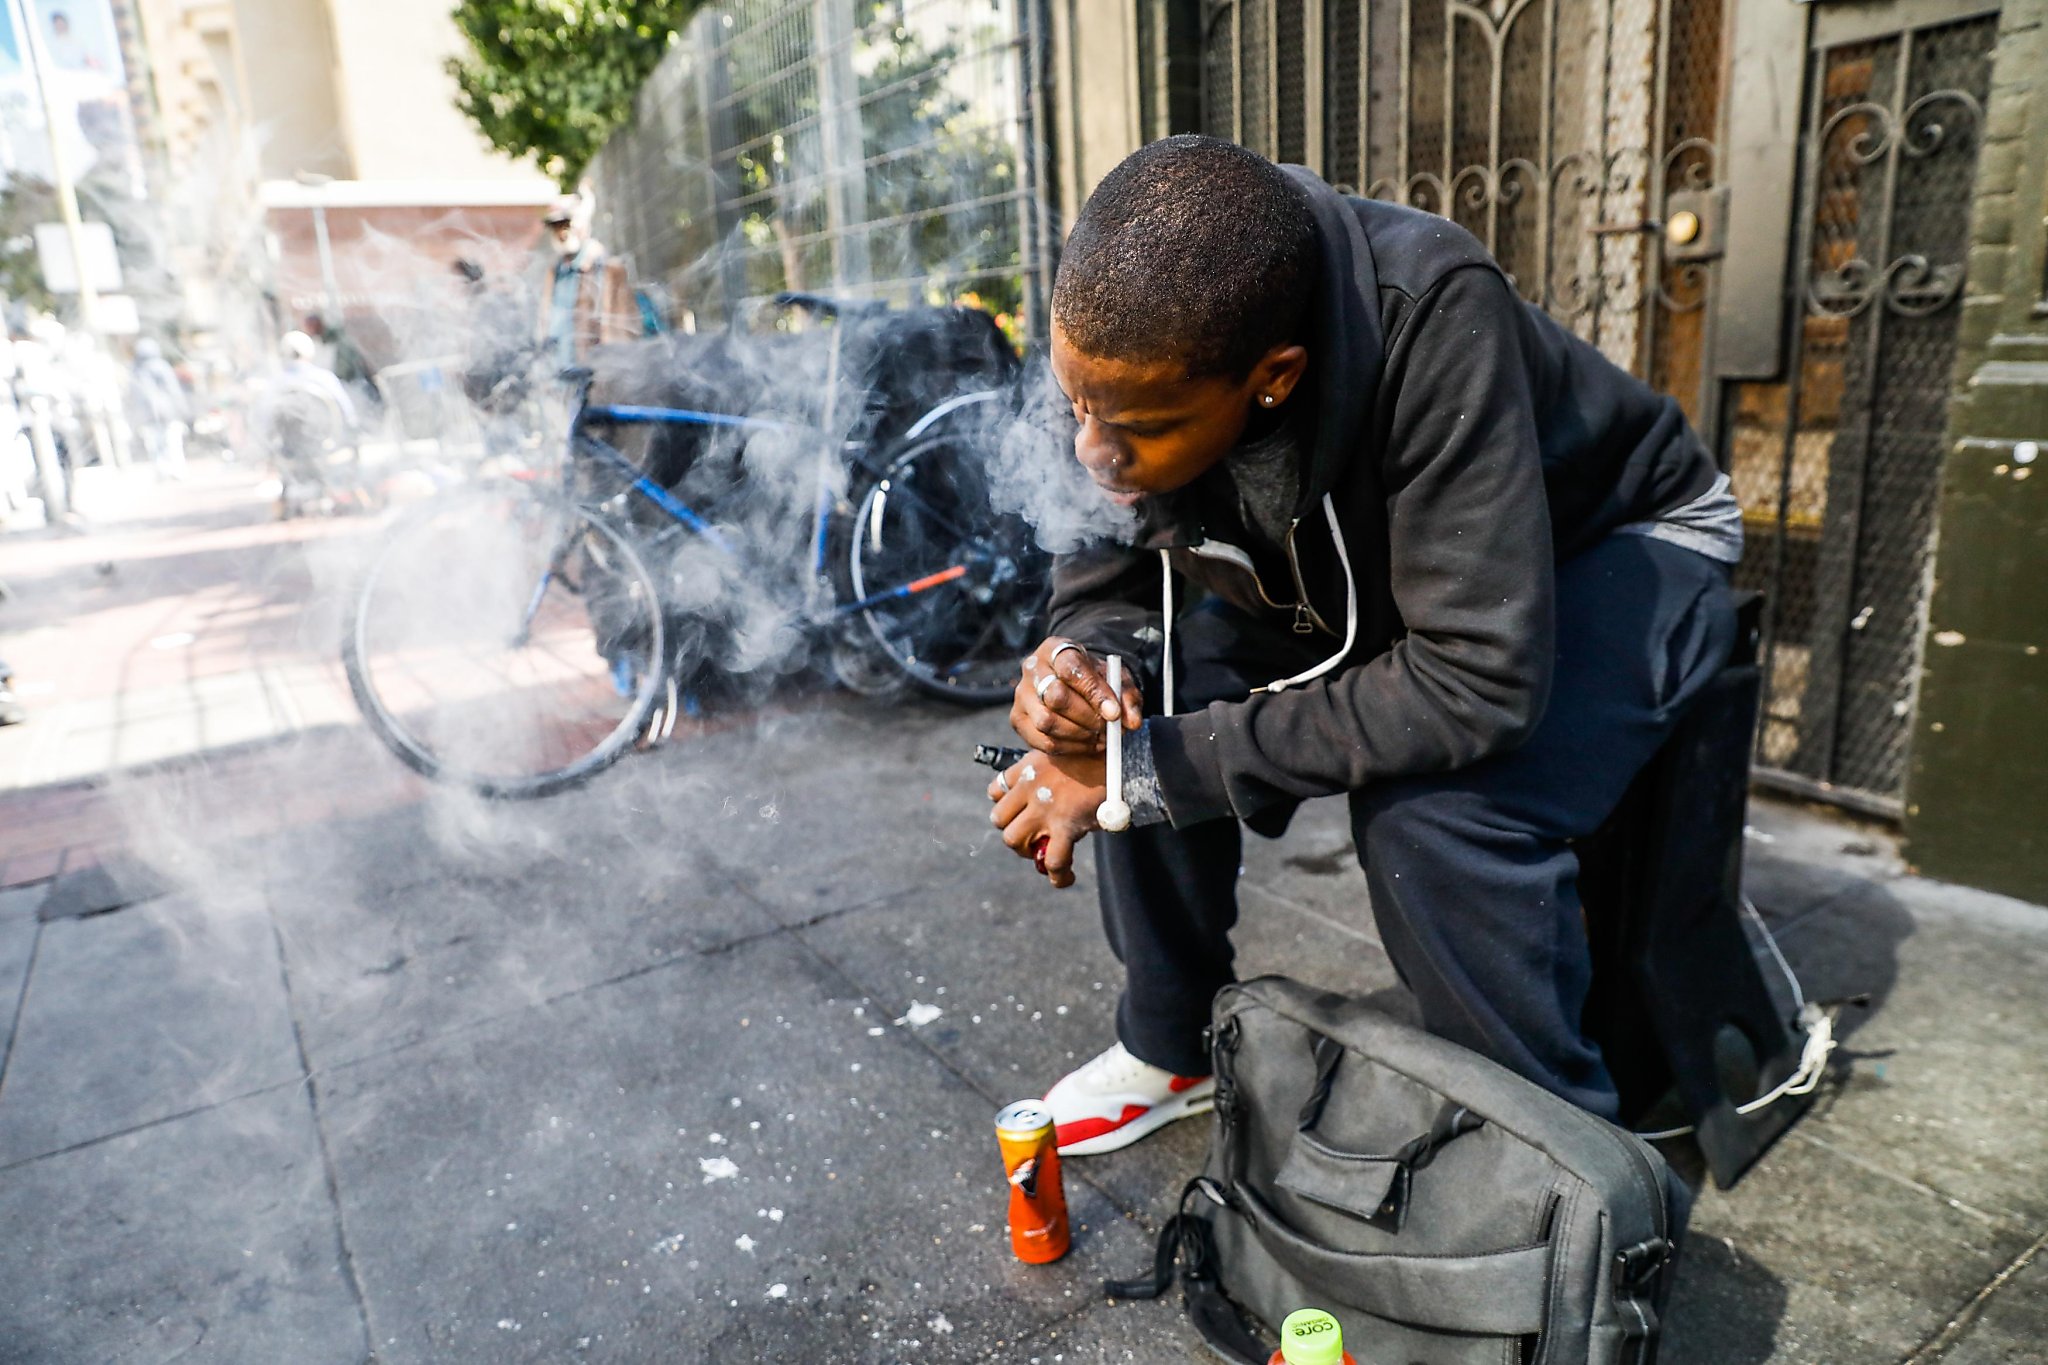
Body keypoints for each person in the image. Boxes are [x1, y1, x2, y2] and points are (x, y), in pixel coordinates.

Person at [987, 136, 1742, 1157]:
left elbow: (1475, 680)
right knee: (1137, 706)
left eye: (1139, 427)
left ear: (1273, 377)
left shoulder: (1432, 307)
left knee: (1437, 817)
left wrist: (1153, 772)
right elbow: (1103, 587)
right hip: (1372, 586)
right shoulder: (1118, 336)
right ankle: (1168, 1044)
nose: (1092, 451)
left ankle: (1552, 1162)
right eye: (1079, 405)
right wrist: (1083, 673)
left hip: (1611, 542)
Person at [538, 194, 634, 369]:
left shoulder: (603, 267)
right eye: (556, 227)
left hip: (592, 367)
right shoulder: (556, 271)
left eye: (566, 224)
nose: (562, 232)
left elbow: (619, 323)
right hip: (560, 367)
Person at [127, 338, 189, 478]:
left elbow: (133, 396)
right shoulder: (160, 366)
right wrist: (181, 407)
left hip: (149, 415)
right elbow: (173, 389)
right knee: (171, 442)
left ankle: (162, 470)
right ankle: (176, 470)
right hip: (166, 412)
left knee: (156, 443)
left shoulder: (136, 370)